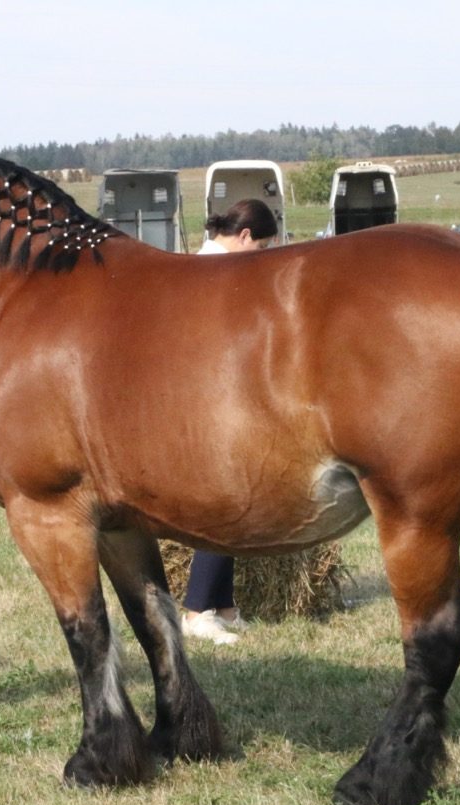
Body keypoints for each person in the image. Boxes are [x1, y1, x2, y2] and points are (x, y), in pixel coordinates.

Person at [181, 199, 280, 645]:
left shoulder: (216, 266)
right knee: (225, 503)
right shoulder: (211, 272)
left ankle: (222, 606)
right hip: (207, 401)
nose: (262, 255)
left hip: (223, 397)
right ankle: (196, 612)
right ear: (243, 236)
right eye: (261, 246)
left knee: (239, 497)